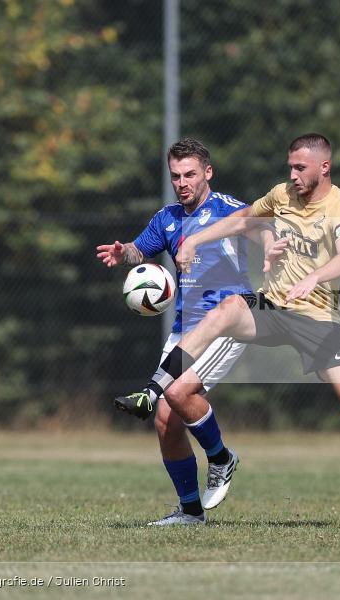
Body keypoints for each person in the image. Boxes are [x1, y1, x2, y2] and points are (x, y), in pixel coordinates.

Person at [116, 133, 340, 521]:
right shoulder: (281, 194)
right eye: (290, 166)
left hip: (316, 317)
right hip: (273, 305)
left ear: (323, 167)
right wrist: (194, 242)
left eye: (300, 168)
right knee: (226, 309)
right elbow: (243, 220)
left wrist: (314, 277)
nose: (292, 175)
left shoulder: (339, 206)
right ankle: (152, 391)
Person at [97, 138, 254, 526]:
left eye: (189, 175)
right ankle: (190, 511)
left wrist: (274, 245)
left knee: (174, 394)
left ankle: (220, 457)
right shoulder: (167, 218)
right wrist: (124, 253)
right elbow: (140, 249)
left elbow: (258, 223)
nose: (182, 183)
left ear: (207, 173)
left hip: (227, 323)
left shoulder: (228, 209)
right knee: (165, 419)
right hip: (185, 328)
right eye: (175, 176)